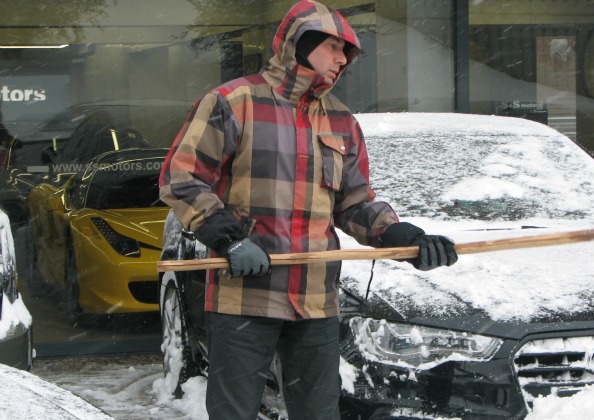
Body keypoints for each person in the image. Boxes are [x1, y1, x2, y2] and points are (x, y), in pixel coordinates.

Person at [159, 1, 458, 418]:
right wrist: (228, 238)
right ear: (300, 43)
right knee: (234, 413)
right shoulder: (234, 102)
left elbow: (354, 204)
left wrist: (403, 237)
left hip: (315, 299)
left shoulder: (341, 121)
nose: (343, 59)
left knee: (318, 413)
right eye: (335, 47)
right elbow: (181, 177)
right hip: (244, 297)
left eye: (347, 53)